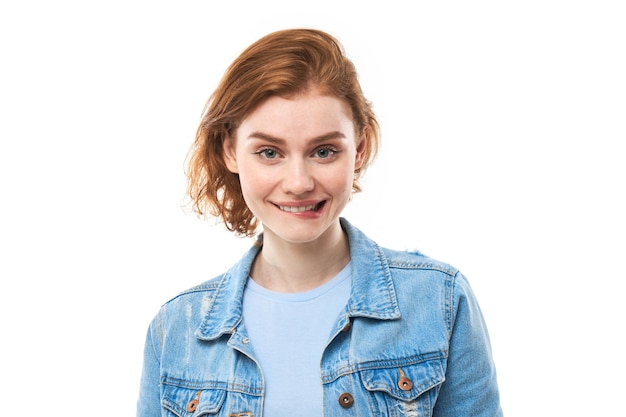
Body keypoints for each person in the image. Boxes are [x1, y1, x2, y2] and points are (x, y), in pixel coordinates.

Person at [136, 28, 503, 417]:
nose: (298, 183)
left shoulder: (439, 301)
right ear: (230, 150)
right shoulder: (175, 330)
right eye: (269, 152)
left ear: (359, 148)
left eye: (324, 151)